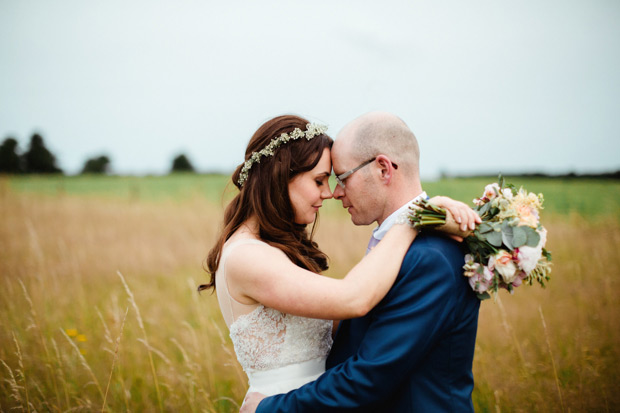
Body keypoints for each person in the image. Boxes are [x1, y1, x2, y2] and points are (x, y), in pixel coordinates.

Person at [200, 114, 478, 402]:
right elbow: (353, 299)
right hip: (284, 404)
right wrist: (414, 218)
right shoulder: (247, 256)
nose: (330, 193)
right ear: (280, 177)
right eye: (320, 180)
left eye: (336, 178)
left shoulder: (273, 251)